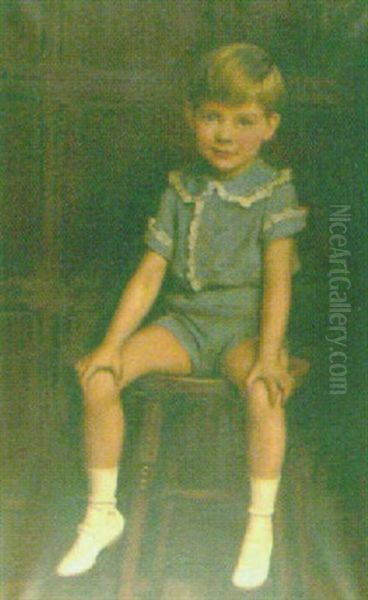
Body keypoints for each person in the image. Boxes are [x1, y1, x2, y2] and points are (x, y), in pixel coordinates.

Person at [56, 42, 308, 590]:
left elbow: (278, 285)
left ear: (269, 125)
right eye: (213, 117)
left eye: (243, 121)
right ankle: (102, 512)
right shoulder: (181, 187)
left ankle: (258, 525)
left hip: (245, 331)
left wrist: (268, 356)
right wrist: (110, 343)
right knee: (102, 376)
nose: (224, 134)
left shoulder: (273, 191)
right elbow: (149, 275)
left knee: (264, 393)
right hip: (186, 327)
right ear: (192, 117)